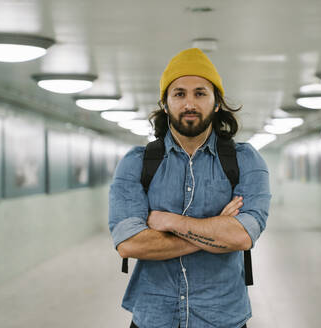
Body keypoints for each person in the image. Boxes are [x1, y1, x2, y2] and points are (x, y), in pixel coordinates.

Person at [108, 48, 271, 328]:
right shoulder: (137, 163)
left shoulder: (245, 160)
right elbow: (129, 243)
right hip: (153, 317)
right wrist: (218, 228)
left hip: (222, 318)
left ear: (217, 102)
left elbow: (243, 237)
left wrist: (169, 221)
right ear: (166, 103)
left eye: (200, 93)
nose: (189, 103)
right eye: (179, 93)